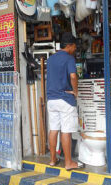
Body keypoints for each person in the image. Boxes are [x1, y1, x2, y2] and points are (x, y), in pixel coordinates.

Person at [46, 32, 83, 170]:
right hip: (65, 99)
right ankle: (68, 163)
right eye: (74, 46)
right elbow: (73, 76)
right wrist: (75, 91)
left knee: (54, 129)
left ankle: (52, 160)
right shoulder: (69, 58)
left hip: (51, 100)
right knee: (66, 131)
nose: (75, 49)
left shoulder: (50, 59)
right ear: (69, 45)